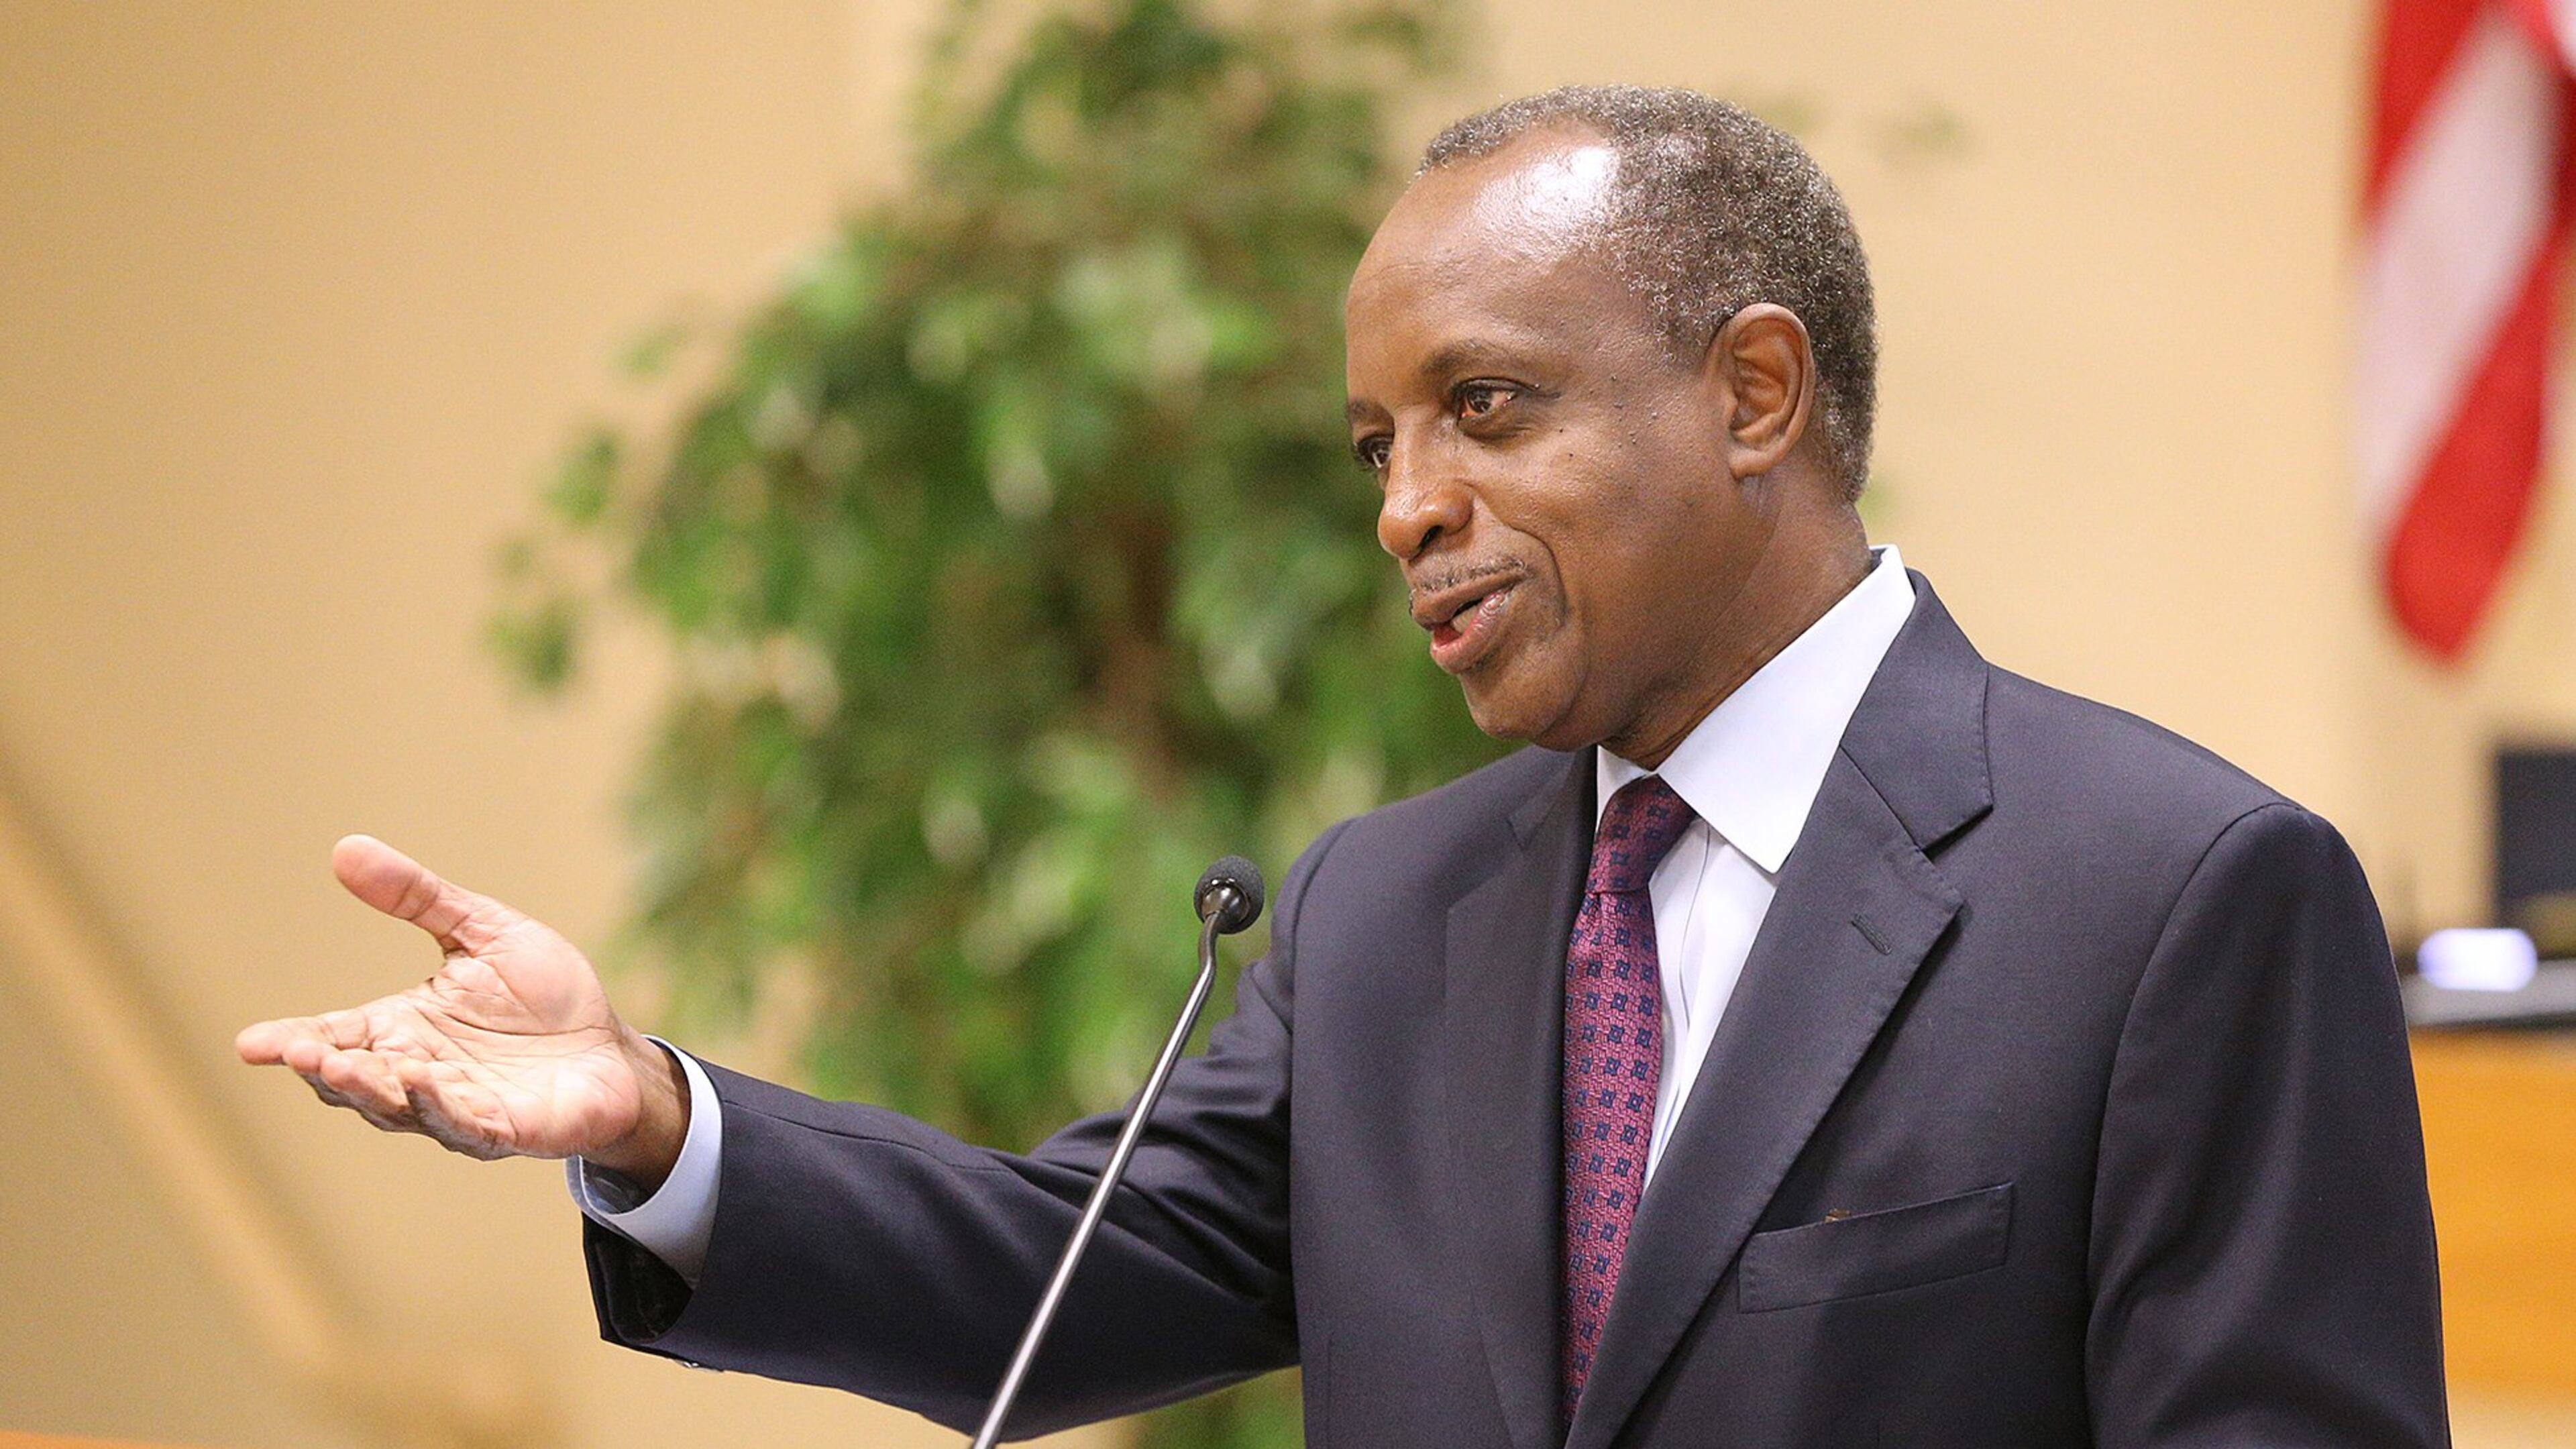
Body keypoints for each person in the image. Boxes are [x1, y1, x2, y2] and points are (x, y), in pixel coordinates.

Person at [237, 86, 2447, 1447]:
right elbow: (1054, 1280)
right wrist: (654, 1116)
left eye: (1487, 409)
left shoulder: (2170, 897)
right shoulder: (1392, 914)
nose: (1404, 508)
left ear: (1755, 395)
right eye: (1376, 445)